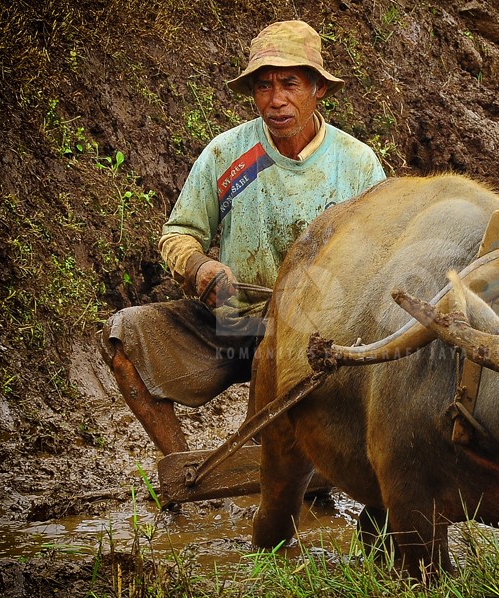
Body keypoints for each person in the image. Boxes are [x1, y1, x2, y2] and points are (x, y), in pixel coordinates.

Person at [100, 20, 386, 455]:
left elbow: (384, 256)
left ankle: (320, 470)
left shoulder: (357, 164)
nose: (276, 100)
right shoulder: (229, 154)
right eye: (264, 87)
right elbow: (179, 234)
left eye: (290, 84)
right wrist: (201, 269)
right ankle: (185, 470)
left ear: (318, 89)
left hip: (321, 332)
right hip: (234, 317)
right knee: (125, 335)